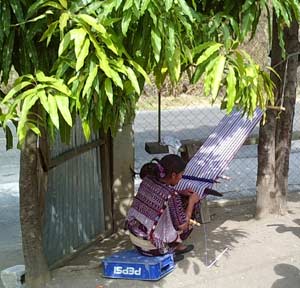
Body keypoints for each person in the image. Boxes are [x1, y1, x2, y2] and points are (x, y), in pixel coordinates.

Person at [126, 154, 200, 260]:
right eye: (181, 175)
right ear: (173, 175)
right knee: (188, 213)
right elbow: (183, 226)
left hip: (136, 240)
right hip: (153, 248)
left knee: (168, 212)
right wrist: (192, 202)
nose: (181, 178)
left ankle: (174, 245)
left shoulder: (147, 180)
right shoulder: (171, 195)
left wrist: (180, 192)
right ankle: (170, 250)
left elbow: (160, 194)